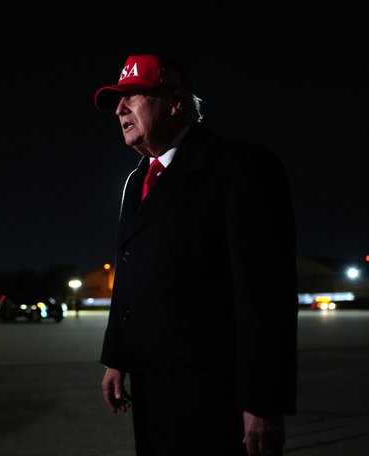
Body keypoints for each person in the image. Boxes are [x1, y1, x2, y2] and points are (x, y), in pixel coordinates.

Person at [93, 54, 298, 456]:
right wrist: (115, 356)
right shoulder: (137, 181)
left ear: (176, 102)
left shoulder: (241, 167)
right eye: (118, 100)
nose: (120, 109)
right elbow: (131, 270)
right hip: (151, 388)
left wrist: (263, 401)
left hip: (213, 394)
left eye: (134, 96)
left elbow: (266, 294)